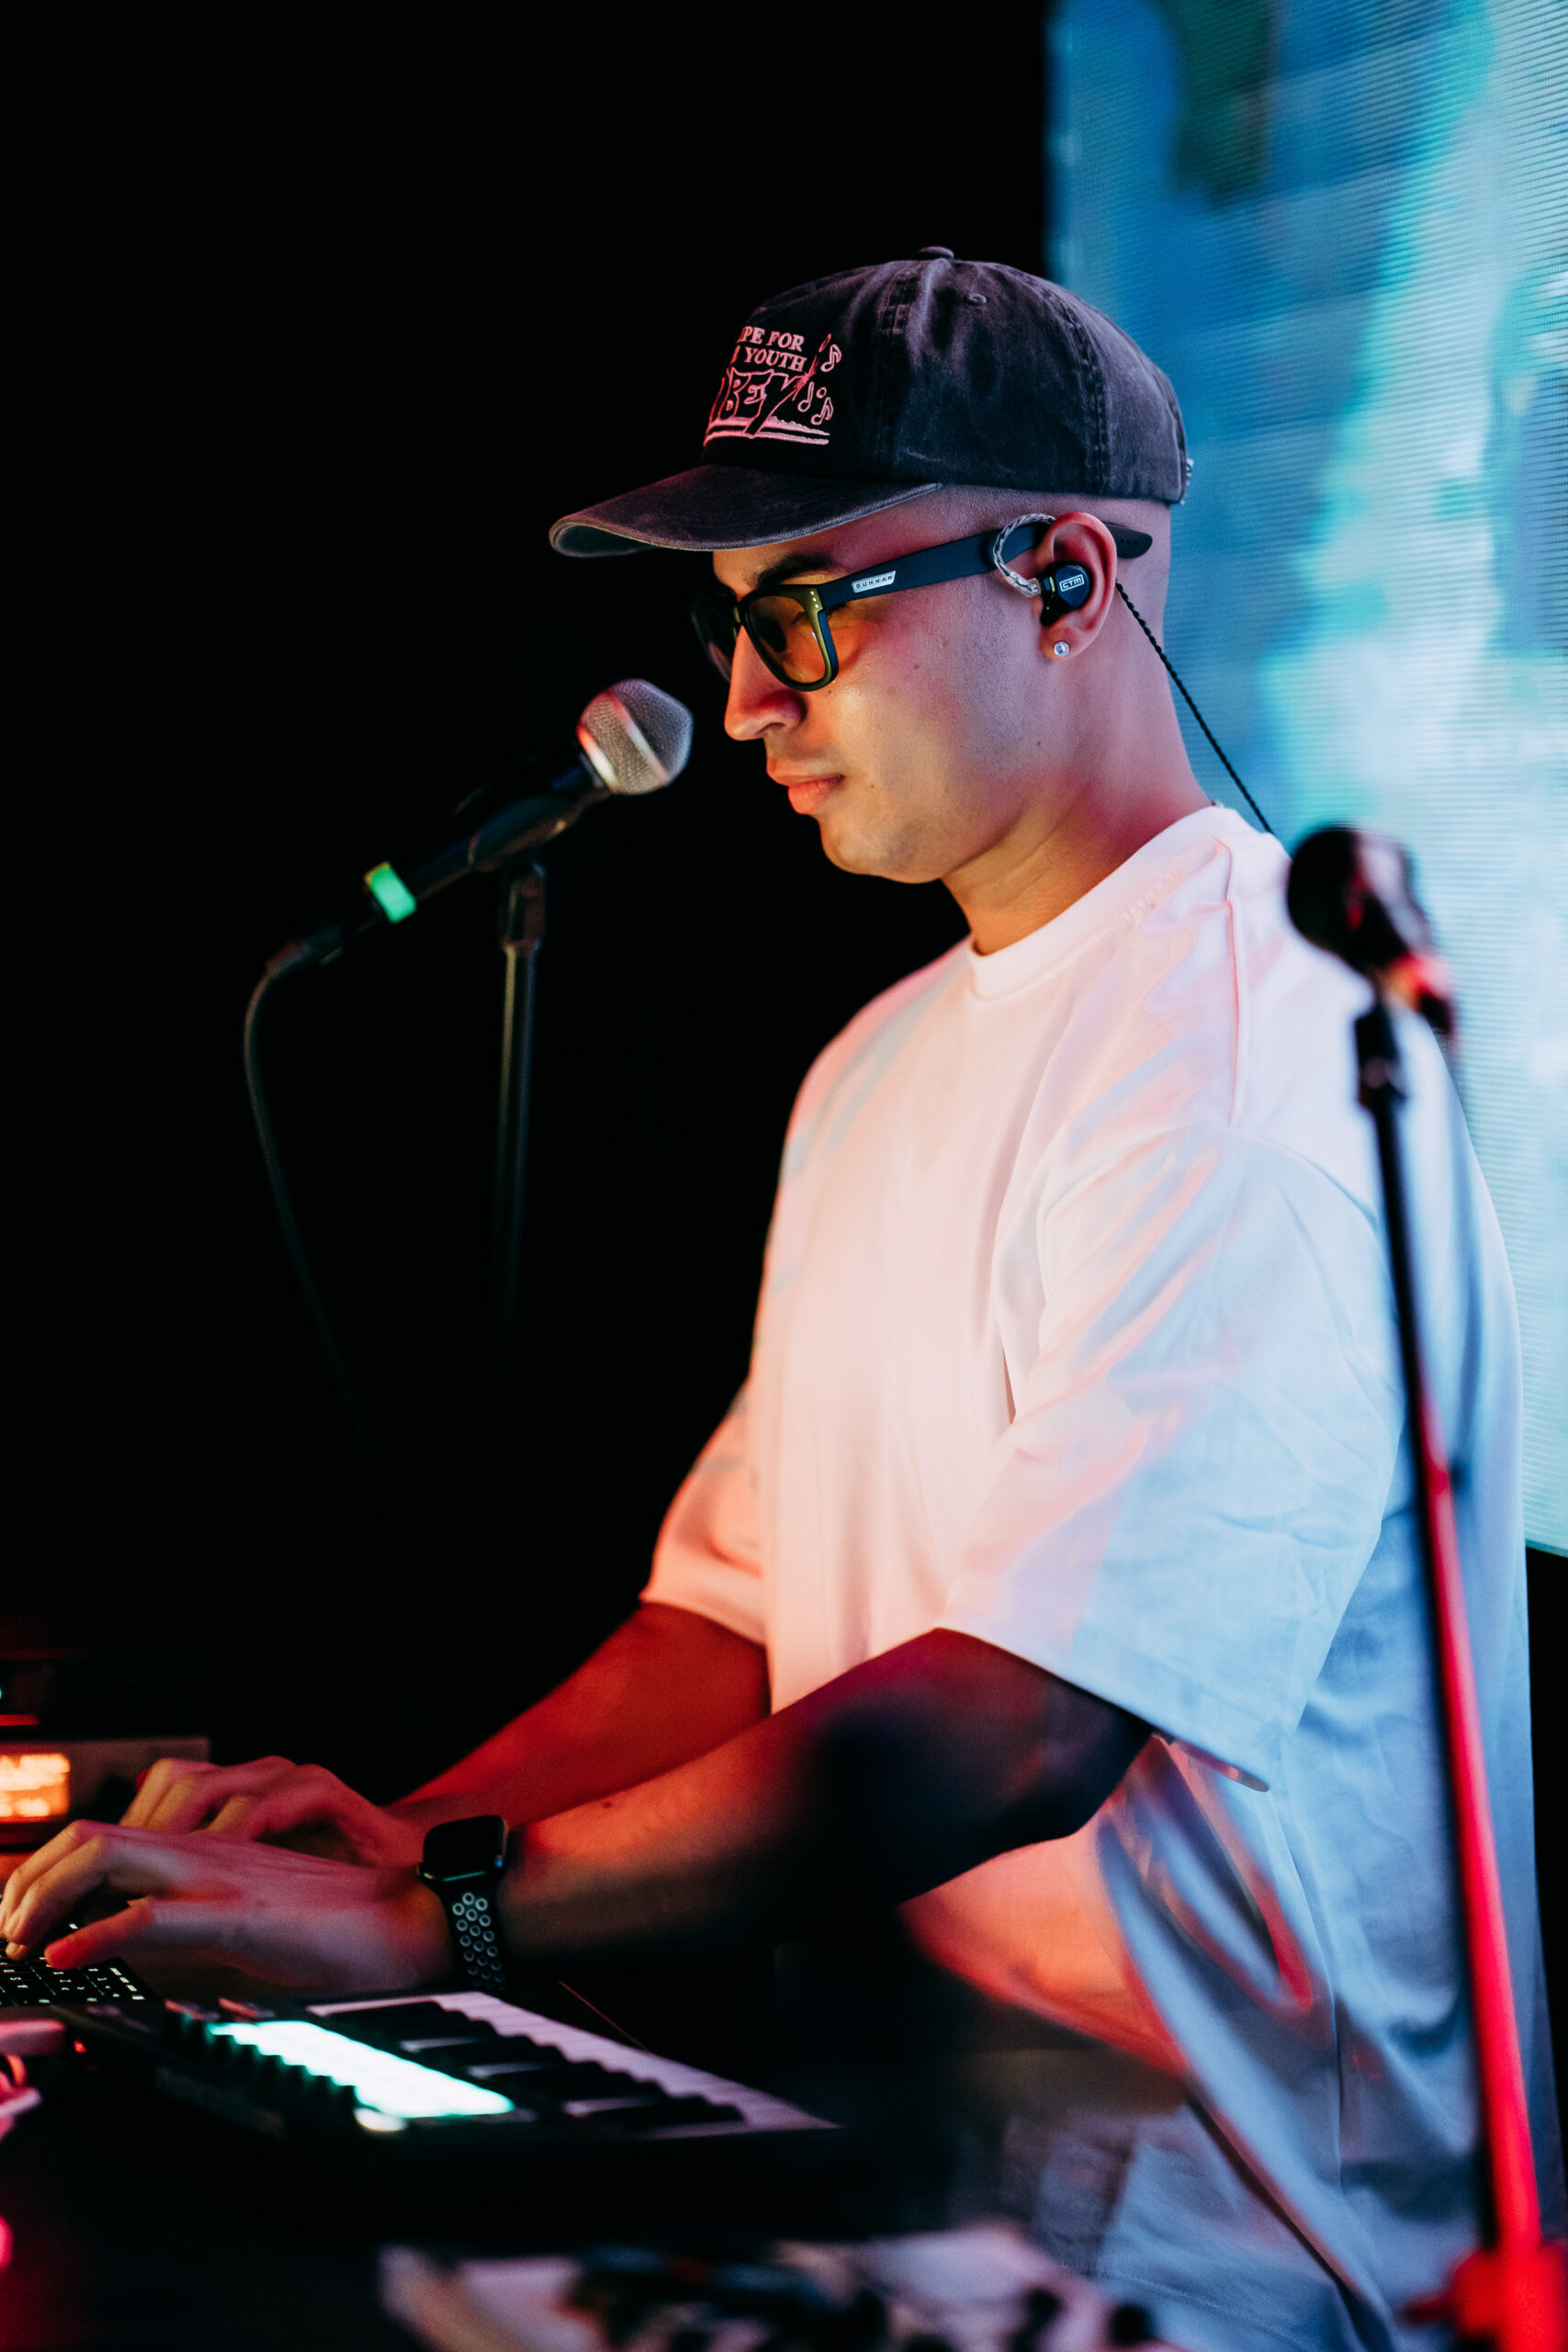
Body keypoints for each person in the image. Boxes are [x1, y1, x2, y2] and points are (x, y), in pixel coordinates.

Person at [4, 254, 1560, 2351]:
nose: (744, 701)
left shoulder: (1250, 1045)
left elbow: (1019, 1718)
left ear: (1067, 577)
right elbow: (727, 1628)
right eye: (729, 621)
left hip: (1221, 2270)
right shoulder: (877, 1063)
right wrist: (411, 1832)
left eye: (807, 608)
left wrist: (436, 1918)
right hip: (881, 2186)